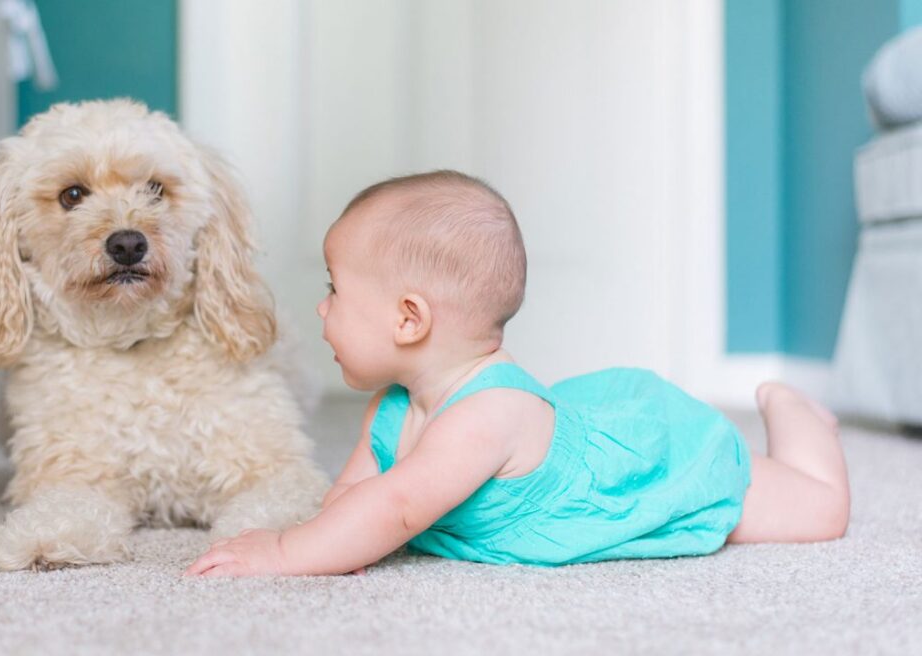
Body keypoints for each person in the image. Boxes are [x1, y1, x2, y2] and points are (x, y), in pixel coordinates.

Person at [184, 170, 851, 577]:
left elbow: (396, 507)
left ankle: (795, 413)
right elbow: (355, 500)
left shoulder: (484, 417)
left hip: (647, 460)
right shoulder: (391, 408)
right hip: (573, 425)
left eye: (336, 291)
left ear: (409, 320)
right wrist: (328, 540)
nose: (322, 308)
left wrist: (283, 554)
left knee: (819, 512)